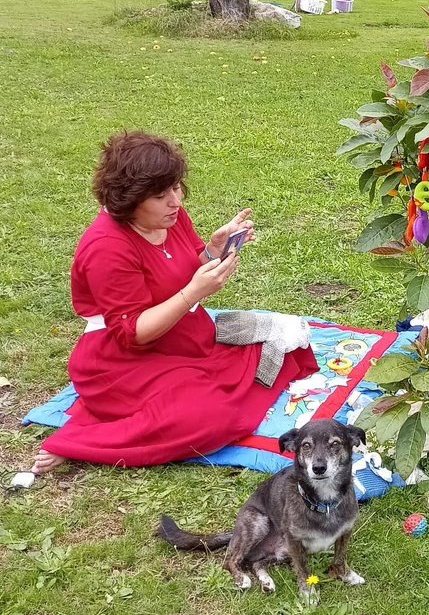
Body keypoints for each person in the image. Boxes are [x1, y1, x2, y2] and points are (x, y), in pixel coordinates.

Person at [29, 132, 318, 476]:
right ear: (129, 199)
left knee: (288, 346)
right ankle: (79, 440)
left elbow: (184, 267)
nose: (176, 201)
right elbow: (132, 334)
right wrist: (194, 293)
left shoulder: (170, 216)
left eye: (177, 188)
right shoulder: (106, 248)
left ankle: (187, 393)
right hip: (123, 362)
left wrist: (214, 249)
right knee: (211, 418)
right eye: (161, 195)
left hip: (184, 337)